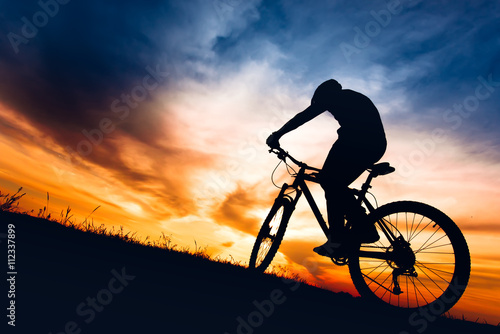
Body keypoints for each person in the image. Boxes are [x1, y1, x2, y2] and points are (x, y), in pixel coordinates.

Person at [266, 79, 387, 257]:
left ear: (325, 96)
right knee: (333, 184)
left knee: (330, 182)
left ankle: (347, 234)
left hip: (358, 142)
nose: (325, 108)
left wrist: (277, 134)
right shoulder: (351, 97)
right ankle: (347, 233)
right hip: (372, 144)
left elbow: (303, 117)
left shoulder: (339, 98)